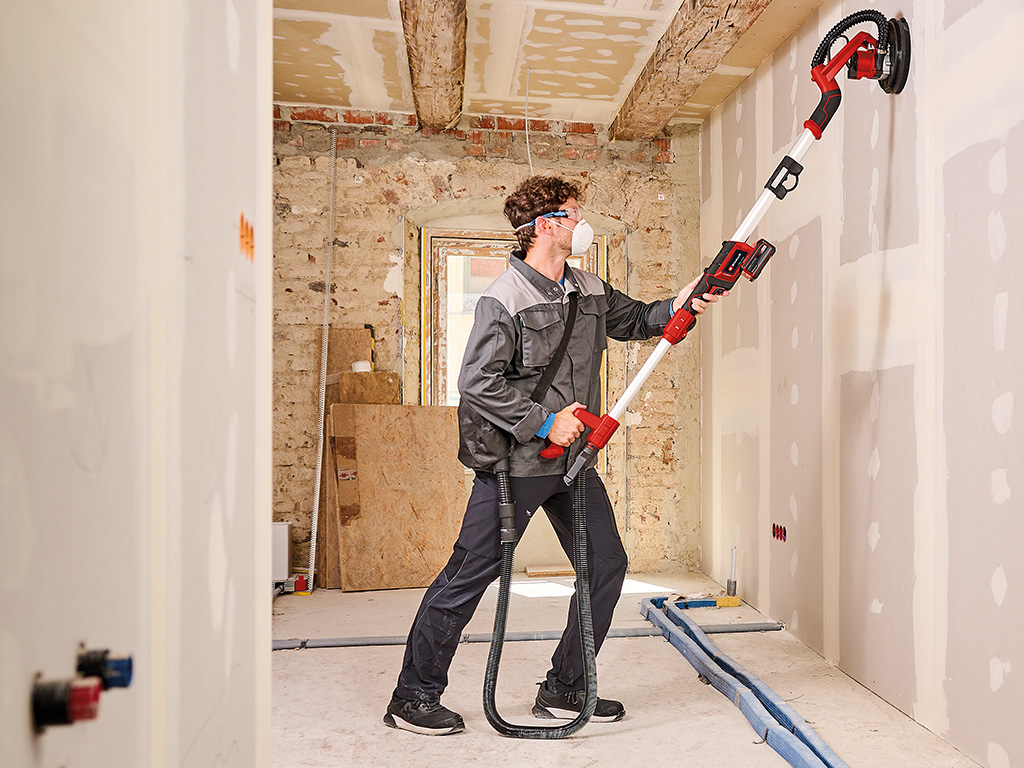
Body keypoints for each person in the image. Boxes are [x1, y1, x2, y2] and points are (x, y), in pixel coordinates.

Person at [384, 176, 724, 735]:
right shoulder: (504, 298)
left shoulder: (588, 288)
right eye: (572, 214)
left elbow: (641, 320)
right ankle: (413, 697)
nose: (581, 223)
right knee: (469, 575)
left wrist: (689, 296)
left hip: (573, 465)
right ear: (545, 226)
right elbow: (477, 383)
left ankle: (565, 688)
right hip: (517, 465)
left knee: (607, 564)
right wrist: (545, 420)